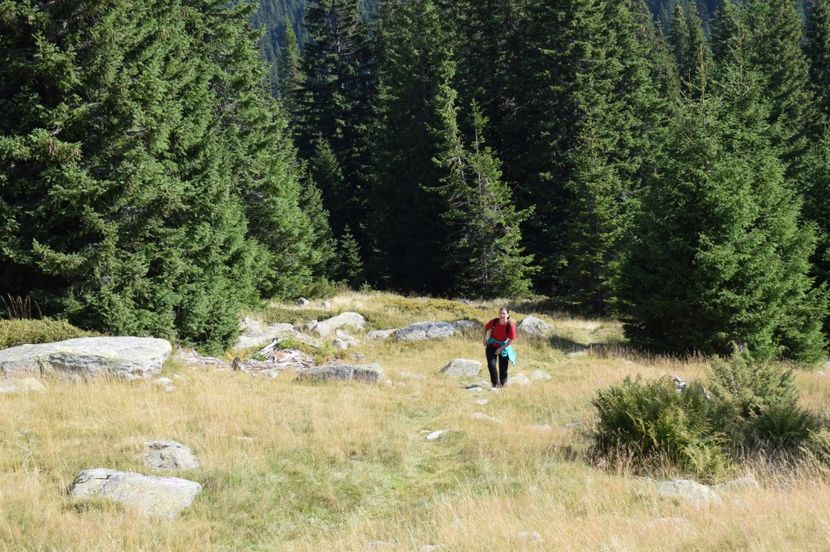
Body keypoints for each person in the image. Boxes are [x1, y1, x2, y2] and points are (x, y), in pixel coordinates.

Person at [482, 307, 517, 388]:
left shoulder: (510, 325)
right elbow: (485, 328)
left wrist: (500, 349)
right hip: (491, 345)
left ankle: (503, 385)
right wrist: (484, 339)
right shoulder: (494, 321)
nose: (502, 315)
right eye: (500, 313)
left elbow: (510, 340)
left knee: (503, 368)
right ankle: (495, 385)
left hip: (503, 347)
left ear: (508, 315)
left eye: (504, 313)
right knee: (491, 365)